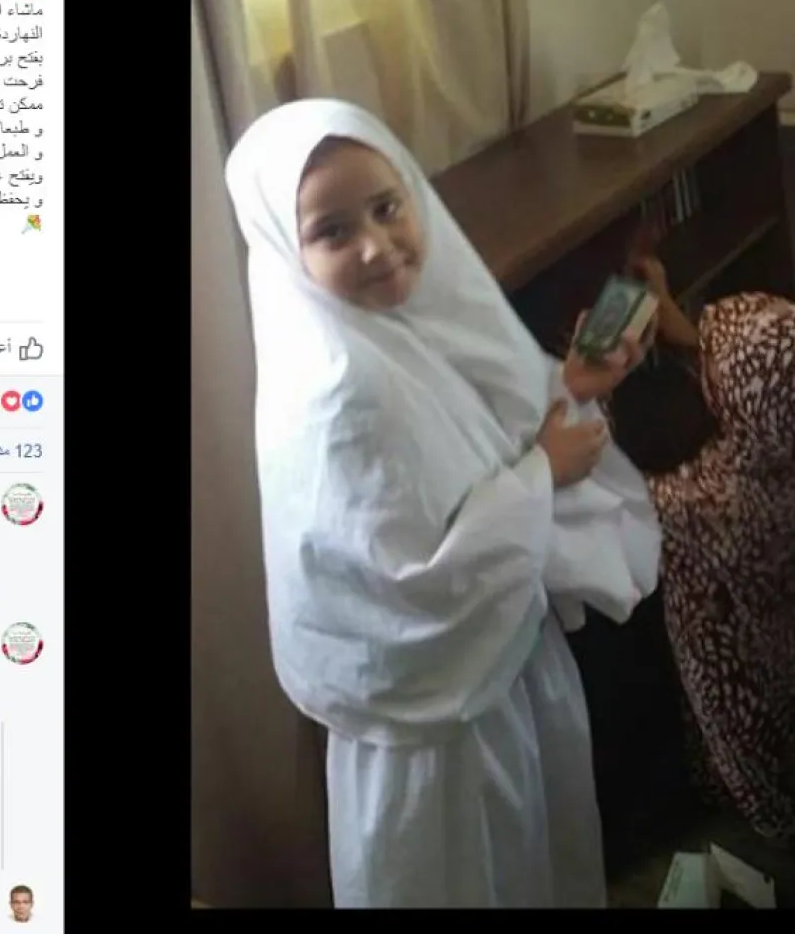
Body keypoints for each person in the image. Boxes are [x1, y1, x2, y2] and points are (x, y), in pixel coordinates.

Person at [224, 100, 661, 908]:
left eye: (387, 206)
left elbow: (475, 431)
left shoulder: (396, 322)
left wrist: (569, 385)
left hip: (505, 677)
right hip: (439, 732)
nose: (375, 244)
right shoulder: (339, 395)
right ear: (285, 247)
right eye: (331, 231)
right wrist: (540, 473)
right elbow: (414, 586)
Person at [634, 256, 795, 844]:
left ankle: (772, 828)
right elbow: (752, 361)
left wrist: (584, 387)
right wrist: (683, 326)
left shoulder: (696, 503)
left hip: (737, 662)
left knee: (743, 733)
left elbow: (614, 488)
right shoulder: (770, 432)